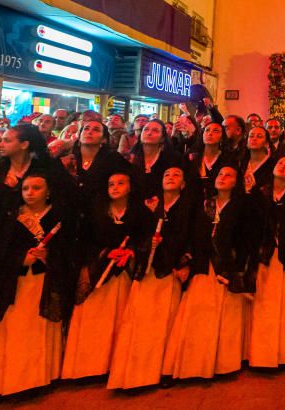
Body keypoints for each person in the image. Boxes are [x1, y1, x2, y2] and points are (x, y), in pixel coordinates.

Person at [0, 173, 72, 396]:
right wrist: (21, 258)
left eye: (36, 188)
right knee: (14, 328)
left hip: (43, 281)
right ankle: (10, 380)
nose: (30, 193)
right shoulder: (11, 217)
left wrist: (48, 255)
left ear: (48, 191)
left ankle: (39, 378)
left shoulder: (58, 217)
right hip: (16, 282)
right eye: (26, 189)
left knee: (39, 329)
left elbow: (69, 250)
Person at [61, 169, 154, 380]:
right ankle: (90, 367)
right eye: (111, 184)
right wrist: (105, 252)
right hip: (99, 270)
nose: (115, 188)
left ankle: (116, 364)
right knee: (95, 320)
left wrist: (131, 251)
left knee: (122, 320)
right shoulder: (96, 211)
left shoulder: (140, 212)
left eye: (121, 183)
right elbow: (84, 240)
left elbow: (145, 238)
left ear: (130, 187)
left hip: (124, 273)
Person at [163, 165, 254, 379]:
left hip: (228, 267)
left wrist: (238, 267)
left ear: (236, 181)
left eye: (229, 175)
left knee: (227, 318)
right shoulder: (204, 205)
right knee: (197, 315)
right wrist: (187, 262)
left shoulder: (243, 206)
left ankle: (223, 365)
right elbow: (192, 236)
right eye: (220, 174)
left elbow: (247, 240)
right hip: (203, 266)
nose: (223, 178)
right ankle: (192, 366)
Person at [107, 165, 194, 389]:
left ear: (183, 184)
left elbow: (192, 238)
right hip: (147, 269)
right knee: (140, 321)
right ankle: (135, 373)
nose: (171, 178)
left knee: (165, 323)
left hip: (169, 270)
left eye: (176, 175)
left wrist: (183, 263)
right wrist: (147, 244)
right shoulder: (147, 208)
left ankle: (162, 370)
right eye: (166, 175)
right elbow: (135, 236)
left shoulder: (189, 208)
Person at [246, 156, 285, 368]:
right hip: (264, 255)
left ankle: (282, 354)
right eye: (280, 164)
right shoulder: (260, 193)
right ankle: (260, 355)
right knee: (263, 306)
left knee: (282, 306)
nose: (283, 167)